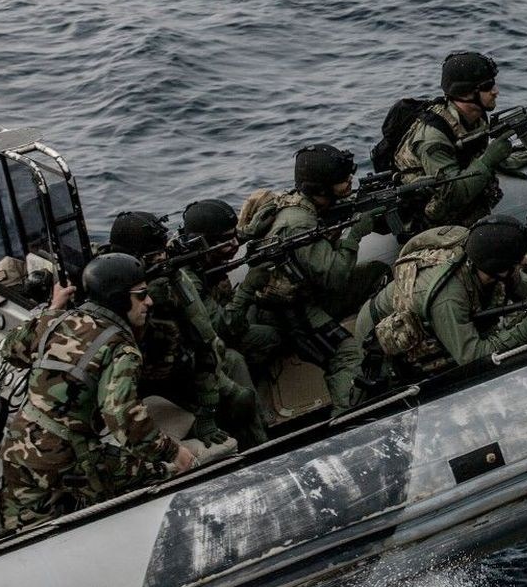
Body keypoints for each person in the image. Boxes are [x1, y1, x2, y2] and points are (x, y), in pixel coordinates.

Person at [0, 253, 193, 532]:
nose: (149, 302)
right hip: (68, 458)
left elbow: (10, 350)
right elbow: (121, 416)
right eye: (141, 295)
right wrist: (174, 453)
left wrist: (52, 310)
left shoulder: (60, 321)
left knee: (17, 527)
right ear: (118, 298)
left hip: (18, 447)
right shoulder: (121, 348)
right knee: (166, 474)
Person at [234, 144, 383, 413]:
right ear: (321, 188)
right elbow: (335, 276)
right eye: (341, 180)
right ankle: (349, 416)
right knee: (346, 354)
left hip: (293, 295)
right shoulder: (299, 223)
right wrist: (355, 234)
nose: (349, 181)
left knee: (377, 272)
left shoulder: (297, 204)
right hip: (292, 312)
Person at [108, 211, 253, 452]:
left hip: (180, 370)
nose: (162, 258)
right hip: (135, 385)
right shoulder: (109, 289)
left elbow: (206, 343)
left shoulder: (173, 280)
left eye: (163, 251)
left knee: (241, 399)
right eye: (153, 255)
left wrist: (207, 412)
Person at [356, 215, 527, 385]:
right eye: (518, 259)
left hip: (433, 316)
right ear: (498, 266)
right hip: (379, 339)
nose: (526, 261)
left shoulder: (485, 261)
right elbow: (472, 357)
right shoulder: (449, 296)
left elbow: (526, 291)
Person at [176, 198, 280, 446]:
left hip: (214, 333)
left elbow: (226, 242)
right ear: (202, 243)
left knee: (271, 329)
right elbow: (221, 326)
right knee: (235, 360)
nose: (234, 244)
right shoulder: (187, 278)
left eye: (234, 236)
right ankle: (256, 439)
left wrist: (247, 232)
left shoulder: (197, 251)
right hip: (196, 350)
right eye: (226, 240)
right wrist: (248, 286)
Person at [391, 51, 518, 229]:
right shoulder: (433, 138)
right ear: (466, 93)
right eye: (488, 86)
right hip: (429, 217)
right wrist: (489, 160)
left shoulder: (475, 117)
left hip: (458, 187)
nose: (495, 91)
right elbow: (452, 195)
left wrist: (501, 160)